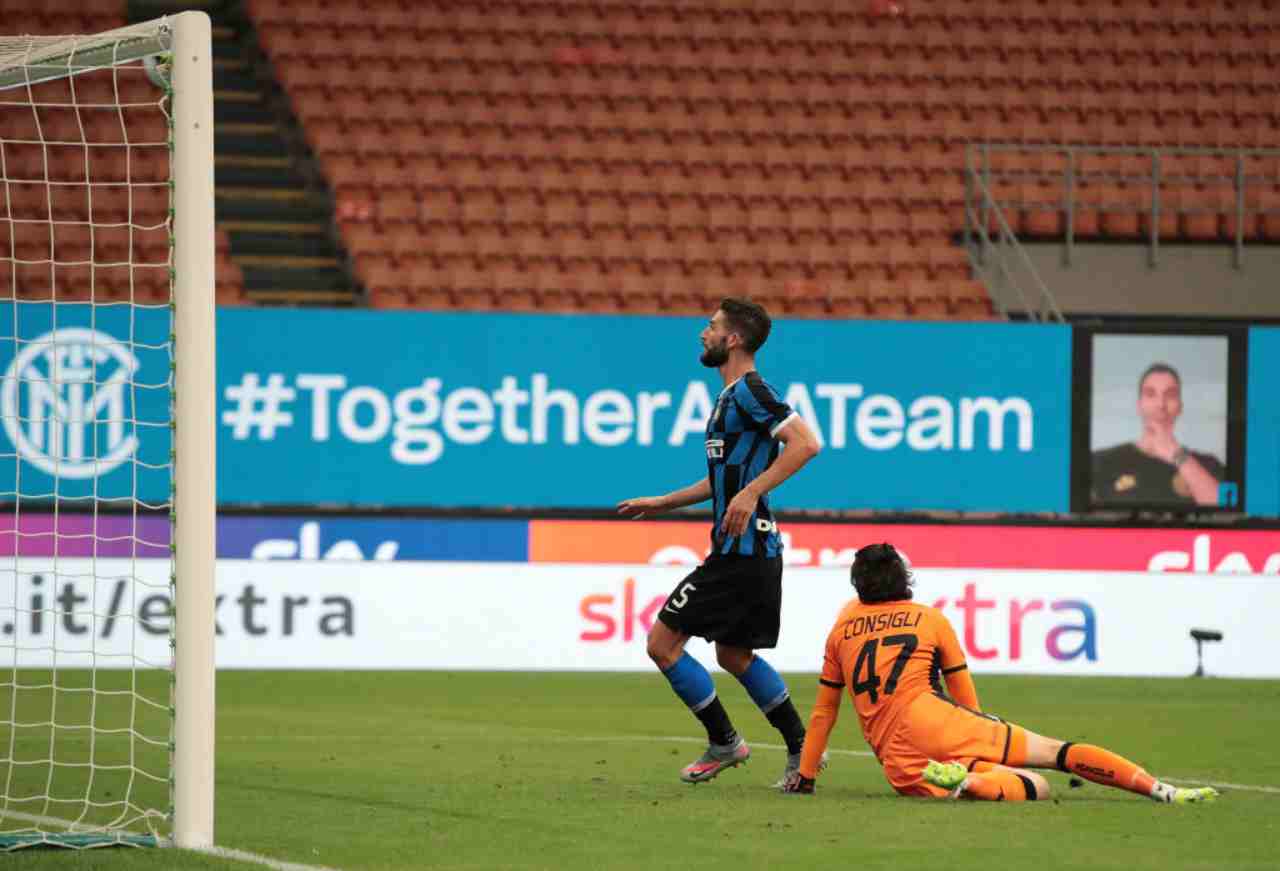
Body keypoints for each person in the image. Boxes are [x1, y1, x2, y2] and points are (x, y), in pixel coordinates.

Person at [782, 543, 1219, 804]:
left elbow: (824, 713)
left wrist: (805, 776)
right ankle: (1161, 791)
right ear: (904, 578)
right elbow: (962, 690)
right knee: (1054, 756)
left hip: (901, 766)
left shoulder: (842, 625)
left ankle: (971, 780)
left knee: (1036, 788)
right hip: (940, 724)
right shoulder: (930, 619)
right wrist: (980, 727)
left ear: (858, 586)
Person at [617, 297, 822, 786]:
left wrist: (752, 493)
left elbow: (807, 443)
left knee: (662, 643)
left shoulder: (751, 390)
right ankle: (801, 750)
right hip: (744, 550)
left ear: (733, 339)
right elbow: (721, 480)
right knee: (733, 655)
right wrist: (665, 502)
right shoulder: (728, 398)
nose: (701, 333)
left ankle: (727, 742)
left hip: (744, 552)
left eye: (711, 326)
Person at [1092, 362, 1224, 506]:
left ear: (1180, 406)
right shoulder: (1099, 462)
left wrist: (1179, 456)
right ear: (1139, 405)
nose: (1161, 405)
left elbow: (1230, 509)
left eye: (1170, 395)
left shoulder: (1210, 464)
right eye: (1150, 394)